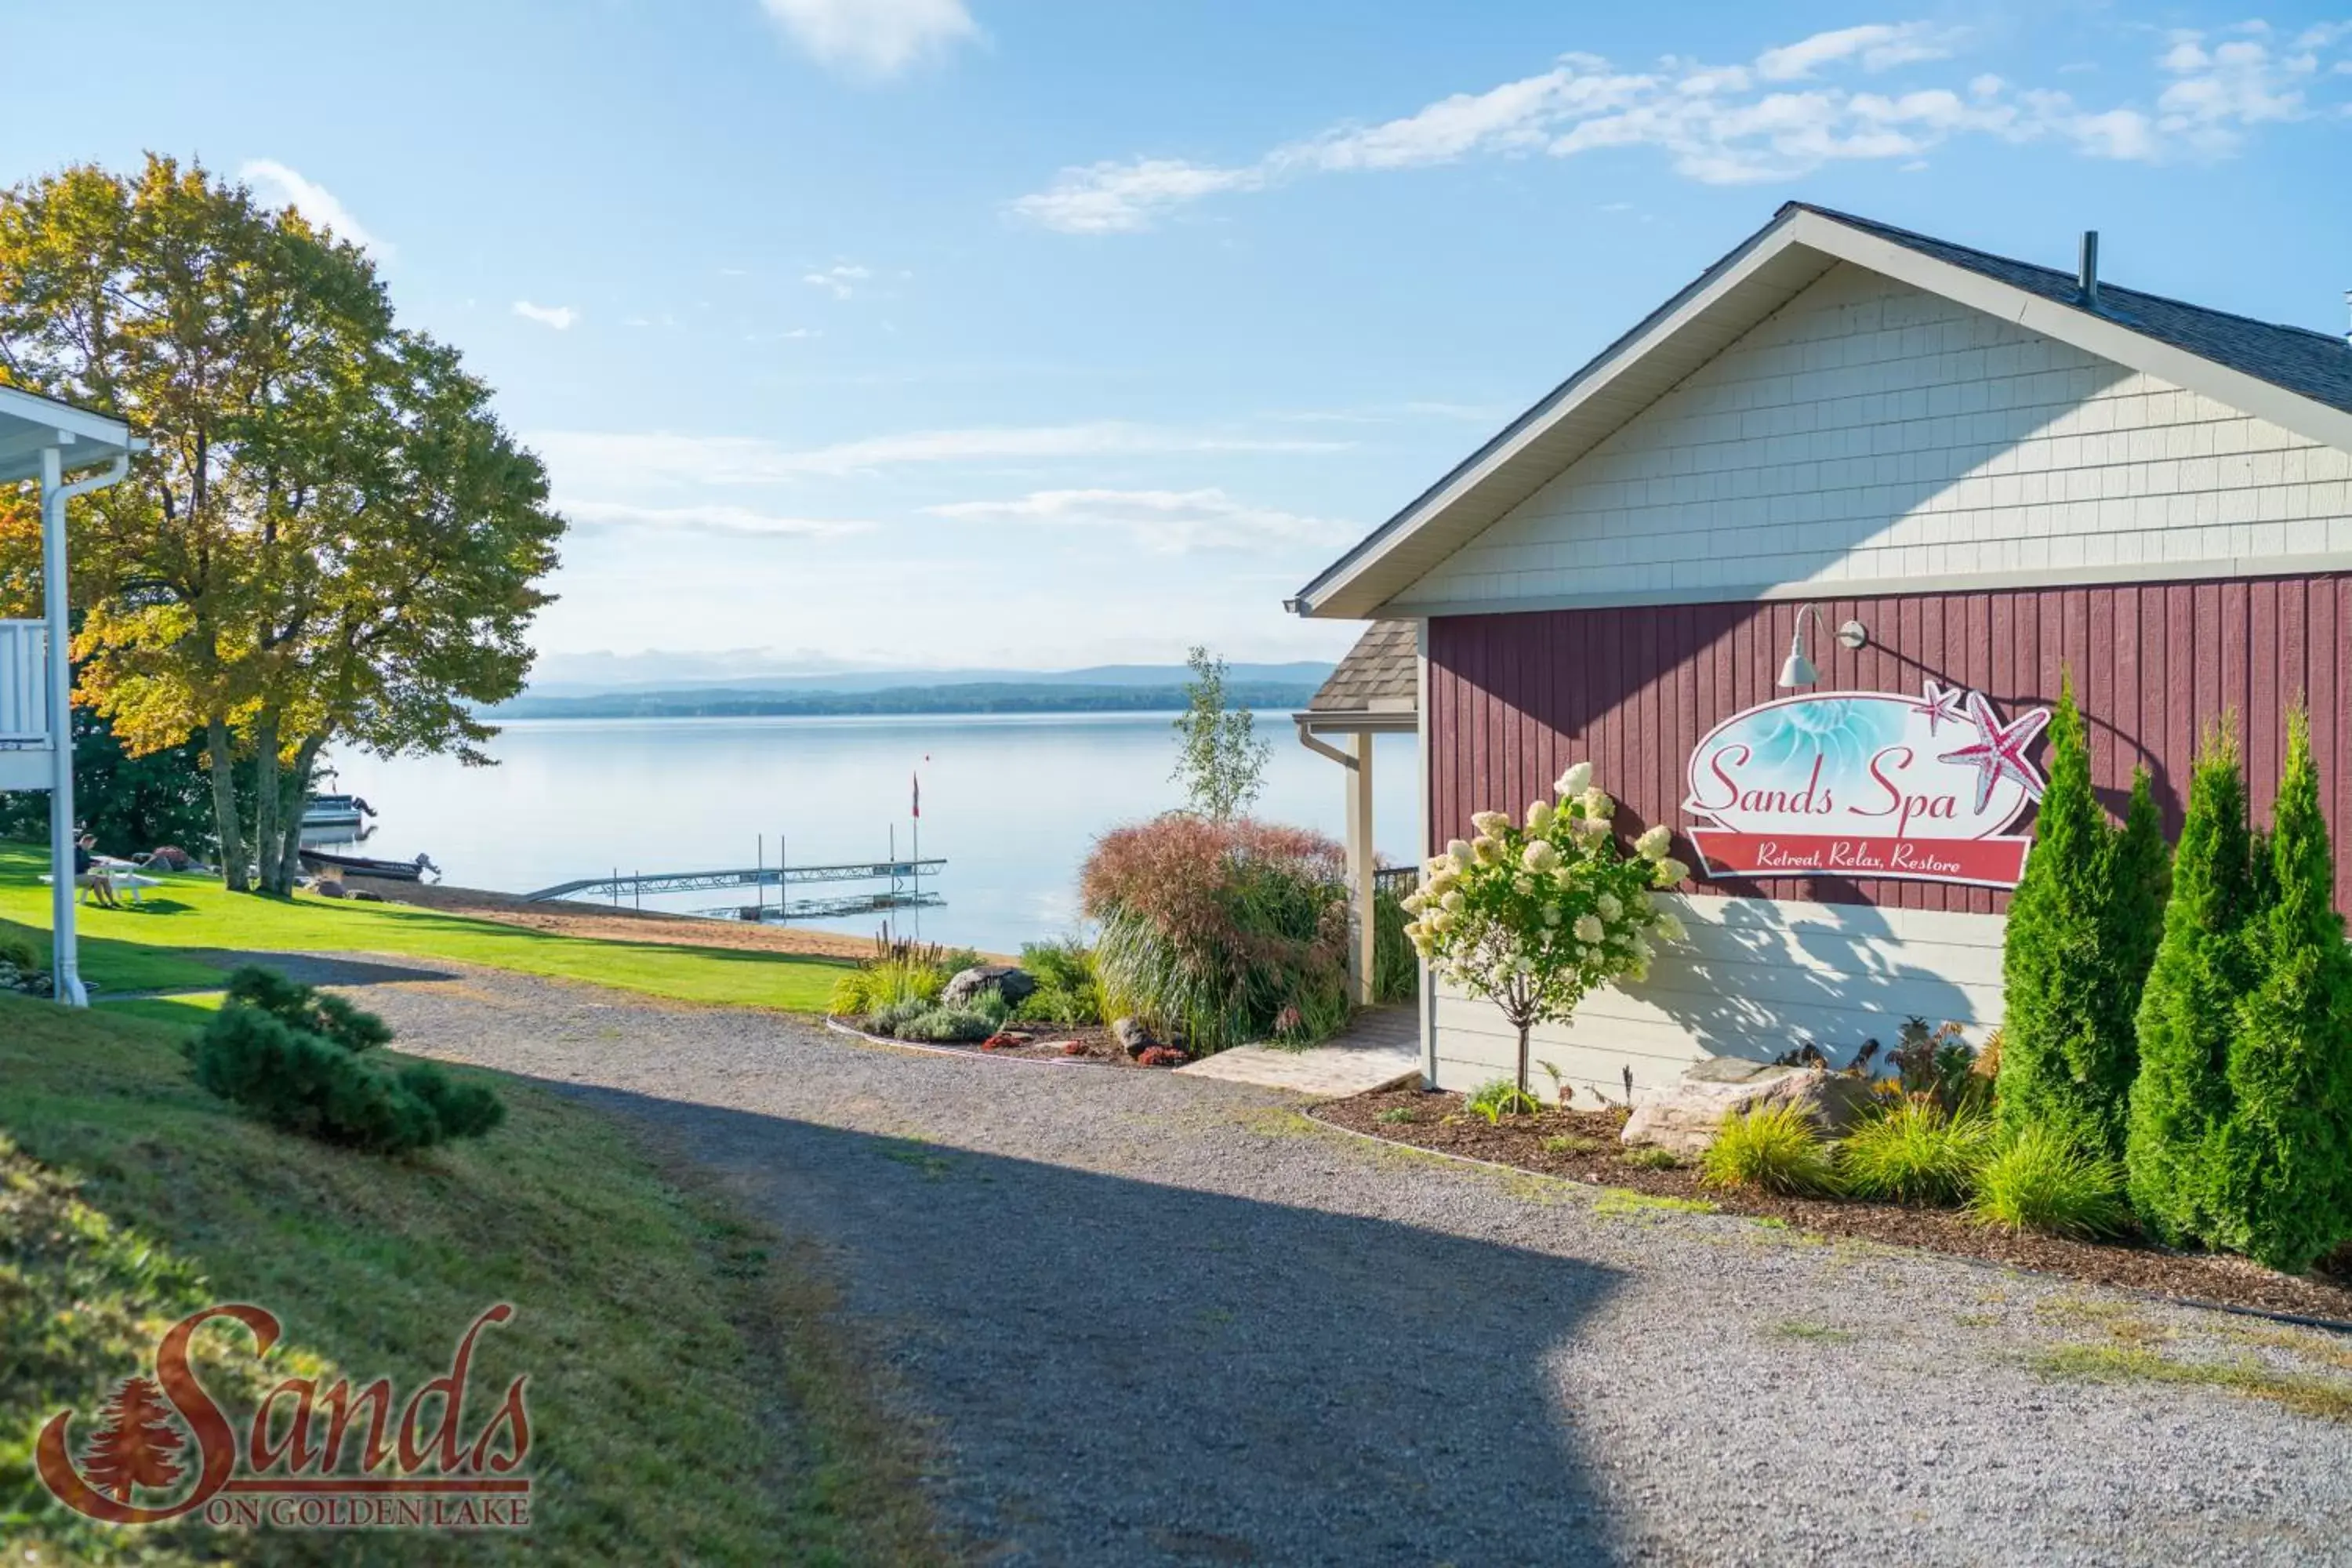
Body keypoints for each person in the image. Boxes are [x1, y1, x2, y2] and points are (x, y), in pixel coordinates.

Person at [73, 833, 122, 909]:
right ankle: (103, 904)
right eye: (92, 844)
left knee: (104, 876)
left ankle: (112, 902)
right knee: (97, 878)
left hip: (84, 873)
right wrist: (92, 865)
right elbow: (79, 866)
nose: (92, 846)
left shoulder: (84, 850)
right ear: (86, 841)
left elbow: (88, 860)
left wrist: (99, 862)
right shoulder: (75, 850)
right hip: (75, 876)